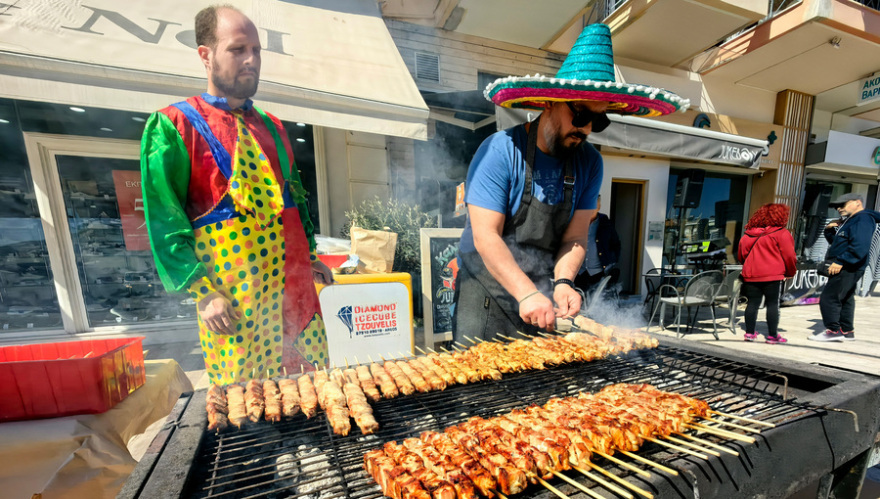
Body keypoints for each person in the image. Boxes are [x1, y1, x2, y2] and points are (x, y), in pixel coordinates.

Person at [452, 23, 689, 341]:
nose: (588, 128)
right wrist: (525, 293)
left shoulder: (589, 162)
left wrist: (563, 282)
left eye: (599, 119)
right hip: (484, 293)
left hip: (540, 294)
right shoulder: (500, 150)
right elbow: (485, 237)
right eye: (580, 114)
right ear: (549, 102)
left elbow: (576, 237)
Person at [140, 5, 332, 384]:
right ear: (205, 55)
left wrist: (309, 256)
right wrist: (203, 292)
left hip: (296, 301)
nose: (251, 60)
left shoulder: (274, 127)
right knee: (245, 409)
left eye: (257, 50)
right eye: (237, 49)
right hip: (235, 307)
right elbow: (165, 219)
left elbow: (295, 203)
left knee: (313, 394)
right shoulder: (173, 125)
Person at [811, 193, 880, 342]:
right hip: (848, 265)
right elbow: (838, 243)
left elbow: (860, 246)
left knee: (829, 298)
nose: (838, 208)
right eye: (836, 206)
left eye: (842, 205)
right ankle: (847, 331)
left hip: (848, 266)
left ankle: (834, 331)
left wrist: (841, 261)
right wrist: (830, 230)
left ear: (857, 203)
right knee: (846, 298)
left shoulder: (862, 219)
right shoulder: (852, 220)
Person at [737, 204, 797, 344]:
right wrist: (790, 271)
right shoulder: (782, 233)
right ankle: (772, 336)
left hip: (751, 274)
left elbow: (741, 256)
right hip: (773, 275)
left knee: (752, 303)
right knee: (772, 304)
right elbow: (789, 256)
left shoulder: (747, 235)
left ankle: (750, 334)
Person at [574, 195, 621, 293]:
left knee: (596, 303)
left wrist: (610, 260)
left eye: (594, 206)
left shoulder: (605, 223)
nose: (591, 209)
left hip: (598, 273)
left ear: (599, 207)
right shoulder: (577, 221)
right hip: (579, 272)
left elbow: (616, 244)